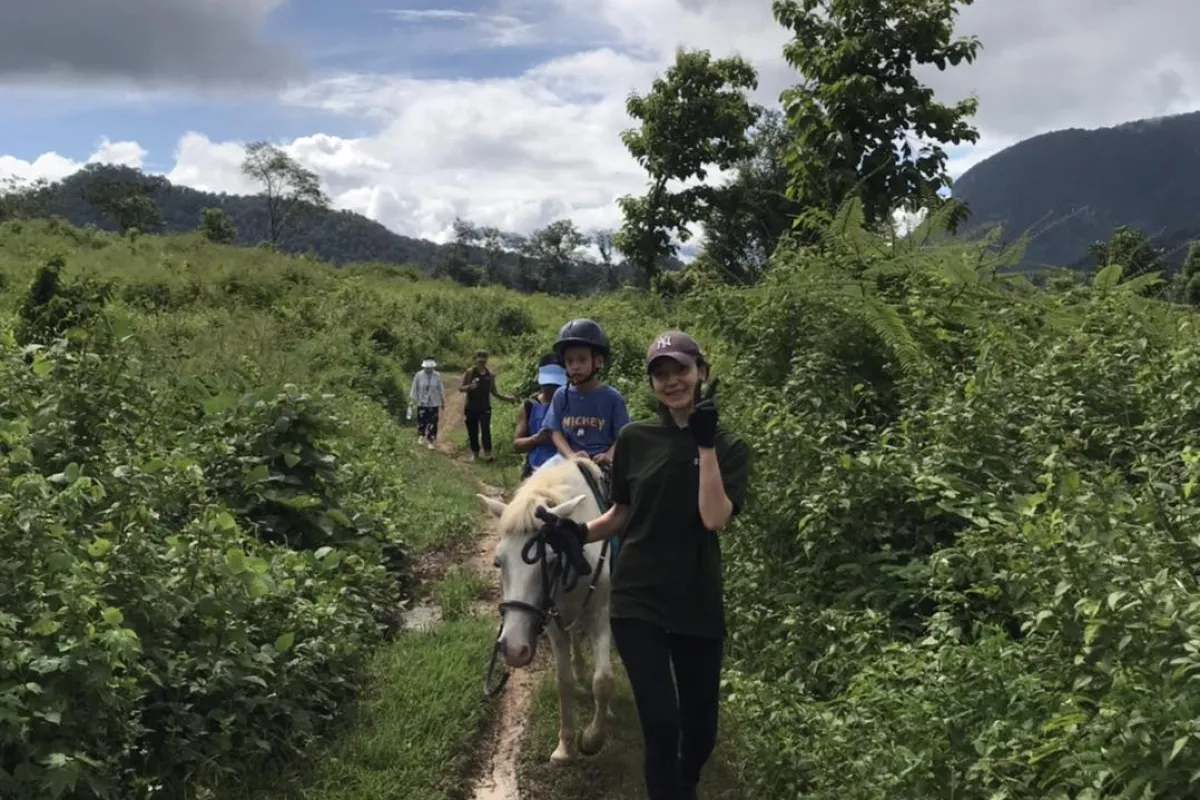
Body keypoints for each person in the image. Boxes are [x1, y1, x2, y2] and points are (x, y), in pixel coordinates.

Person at [542, 330, 751, 800]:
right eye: (661, 373)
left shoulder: (730, 446)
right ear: (651, 383)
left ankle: (686, 782)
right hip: (639, 597)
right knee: (660, 723)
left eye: (681, 369)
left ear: (701, 371)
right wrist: (578, 533)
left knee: (700, 734)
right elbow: (621, 515)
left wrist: (705, 447)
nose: (672, 380)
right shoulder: (635, 438)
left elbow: (715, 519)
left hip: (696, 597)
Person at [542, 318, 630, 472]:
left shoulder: (612, 398)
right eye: (569, 361)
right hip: (569, 460)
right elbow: (555, 432)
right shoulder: (561, 395)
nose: (575, 366)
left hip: (601, 462)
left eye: (582, 359)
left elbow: (623, 437)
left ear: (598, 361)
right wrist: (571, 456)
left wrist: (609, 455)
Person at [512, 353, 567, 478]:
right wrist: (536, 439)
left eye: (556, 385)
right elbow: (517, 445)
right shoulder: (529, 406)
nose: (552, 388)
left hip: (564, 471)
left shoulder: (572, 405)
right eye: (549, 384)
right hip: (534, 470)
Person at [459, 349, 515, 462]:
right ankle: (475, 454)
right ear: (475, 360)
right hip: (471, 408)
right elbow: (461, 388)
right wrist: (470, 387)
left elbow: (494, 392)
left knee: (486, 431)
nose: (481, 361)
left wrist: (507, 398)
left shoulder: (490, 375)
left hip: (485, 407)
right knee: (472, 431)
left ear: (486, 360)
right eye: (479, 359)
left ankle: (488, 454)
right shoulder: (470, 373)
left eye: (484, 359)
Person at [409, 357, 445, 449]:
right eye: (427, 368)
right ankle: (421, 436)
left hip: (434, 402)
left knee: (433, 422)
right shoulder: (418, 375)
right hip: (422, 402)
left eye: (430, 368)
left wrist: (443, 401)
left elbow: (440, 389)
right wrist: (412, 400)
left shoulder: (437, 376)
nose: (428, 369)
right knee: (421, 420)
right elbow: (414, 388)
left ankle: (430, 441)